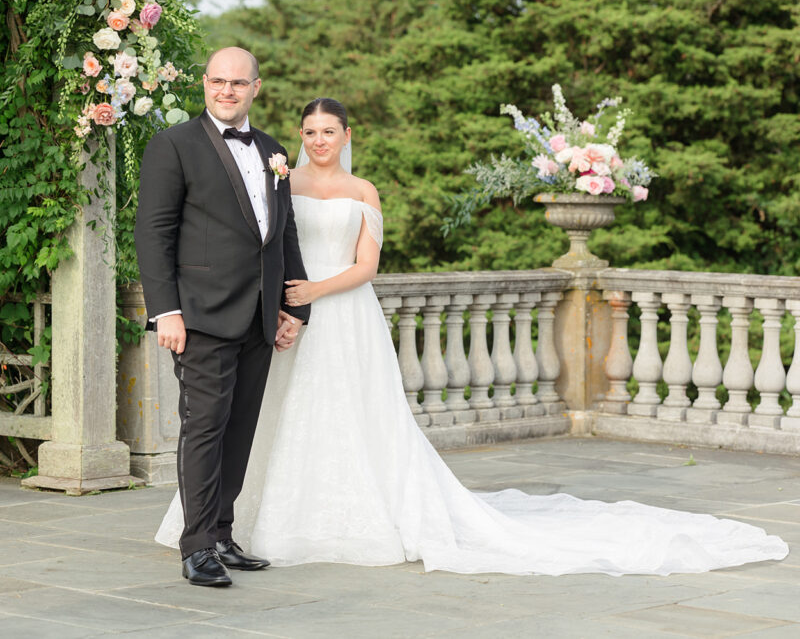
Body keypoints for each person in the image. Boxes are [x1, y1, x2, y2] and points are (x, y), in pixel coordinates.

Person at [156, 97, 789, 576]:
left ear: (347, 136)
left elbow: (369, 265)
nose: (319, 141)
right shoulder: (281, 178)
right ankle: (221, 528)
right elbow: (270, 242)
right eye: (310, 132)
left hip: (341, 313)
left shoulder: (363, 190)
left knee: (350, 416)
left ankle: (326, 520)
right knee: (265, 419)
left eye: (329, 132)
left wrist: (314, 295)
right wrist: (284, 305)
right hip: (280, 319)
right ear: (300, 137)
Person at [135, 47, 310, 587]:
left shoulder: (275, 151)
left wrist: (294, 306)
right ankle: (196, 547)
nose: (226, 91)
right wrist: (165, 310)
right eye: (217, 81)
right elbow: (153, 233)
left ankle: (222, 535)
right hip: (201, 316)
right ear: (204, 85)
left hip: (259, 318)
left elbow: (283, 232)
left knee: (240, 431)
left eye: (238, 83)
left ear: (257, 88)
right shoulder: (173, 146)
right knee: (204, 429)